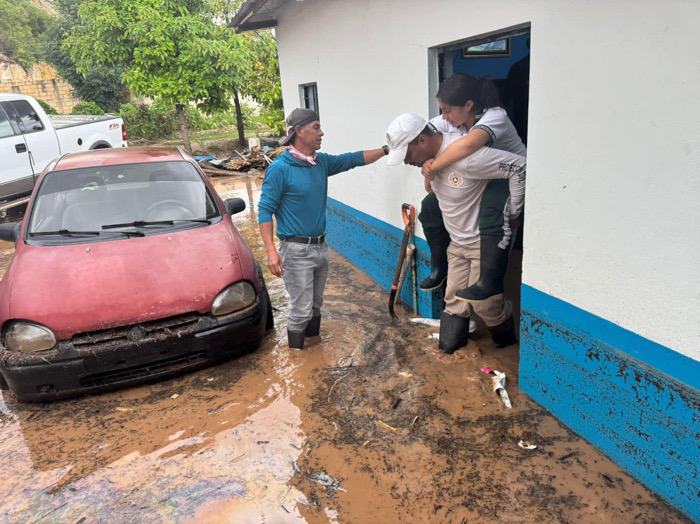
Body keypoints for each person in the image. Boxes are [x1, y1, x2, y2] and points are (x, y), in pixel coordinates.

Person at [385, 113, 525, 353]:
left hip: (482, 244)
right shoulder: (432, 148)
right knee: (453, 303)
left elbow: (520, 166)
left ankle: (508, 346)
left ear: (422, 141)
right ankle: (450, 353)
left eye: (407, 154)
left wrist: (514, 215)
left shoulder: (468, 158)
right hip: (457, 245)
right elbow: (439, 119)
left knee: (485, 307)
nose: (407, 161)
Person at [259, 108, 388, 349]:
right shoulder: (280, 169)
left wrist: (386, 150)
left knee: (316, 305)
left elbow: (353, 159)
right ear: (299, 131)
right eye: (316, 127)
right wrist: (270, 252)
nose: (322, 133)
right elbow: (265, 210)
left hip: (320, 247)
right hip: (296, 250)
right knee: (300, 310)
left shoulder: (320, 163)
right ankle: (299, 365)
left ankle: (314, 350)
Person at [419, 73, 527, 303]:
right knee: (430, 204)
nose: (444, 116)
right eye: (442, 110)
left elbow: (468, 145)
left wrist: (433, 166)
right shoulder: (455, 120)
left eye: (448, 110)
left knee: (491, 211)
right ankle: (440, 267)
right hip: (488, 175)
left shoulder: (494, 116)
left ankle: (488, 282)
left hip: (512, 177)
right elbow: (427, 130)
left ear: (468, 105)